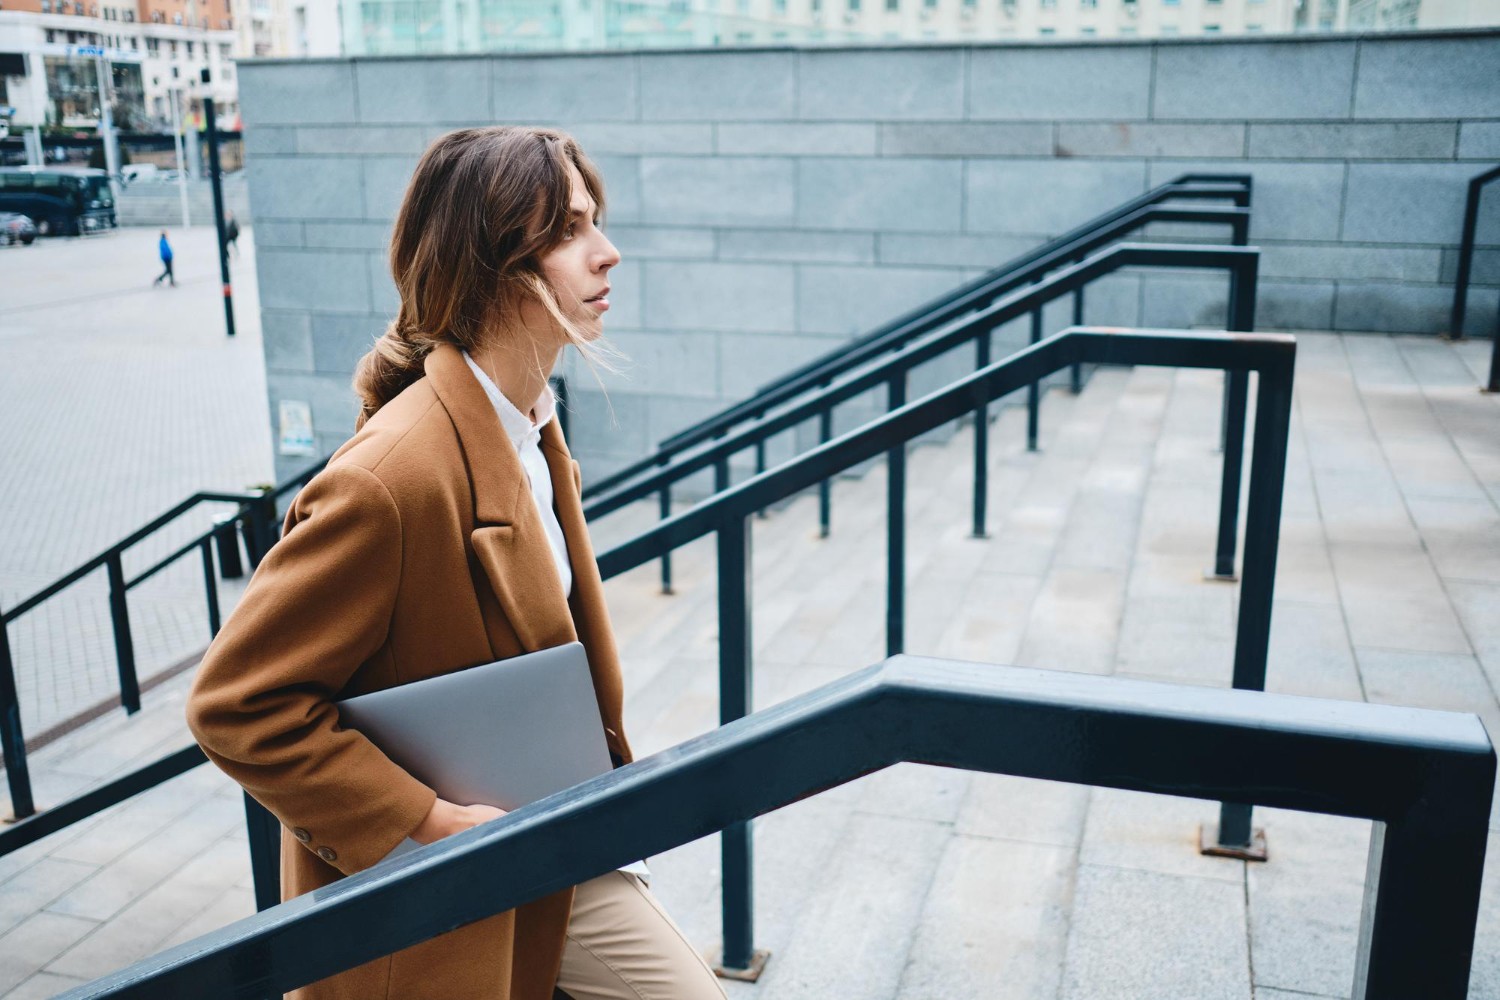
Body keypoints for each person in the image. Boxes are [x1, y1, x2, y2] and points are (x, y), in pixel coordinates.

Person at [186, 127, 728, 1000]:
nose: (608, 253)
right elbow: (236, 704)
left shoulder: (535, 433)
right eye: (570, 231)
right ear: (493, 267)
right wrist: (428, 821)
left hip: (554, 837)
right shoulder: (388, 481)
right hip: (453, 885)